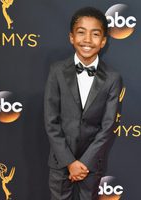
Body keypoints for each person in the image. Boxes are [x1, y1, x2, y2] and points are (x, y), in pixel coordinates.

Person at [44, 6, 123, 200]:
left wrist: (85, 162)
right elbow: (51, 121)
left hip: (92, 161)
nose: (87, 40)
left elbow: (108, 125)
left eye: (95, 34)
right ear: (71, 37)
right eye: (81, 33)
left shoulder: (113, 78)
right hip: (60, 160)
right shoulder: (57, 71)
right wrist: (69, 162)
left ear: (103, 41)